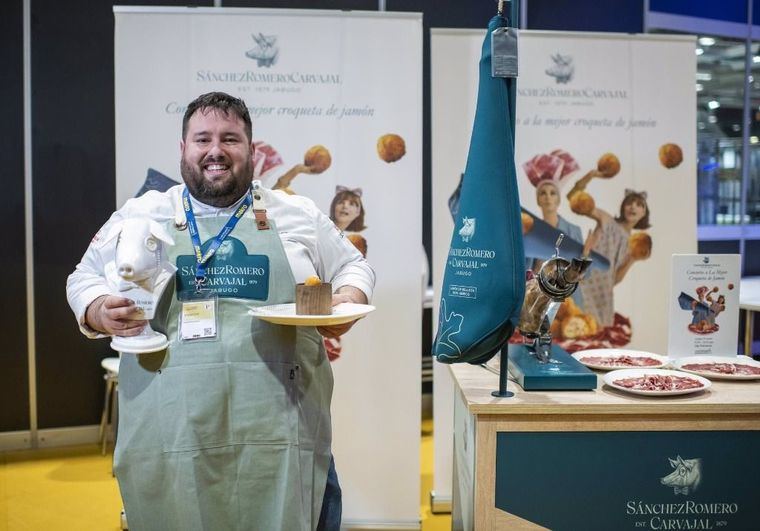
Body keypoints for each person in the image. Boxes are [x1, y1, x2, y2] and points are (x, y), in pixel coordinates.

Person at [66, 92, 375, 531]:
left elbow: (353, 266)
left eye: (230, 138)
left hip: (281, 431)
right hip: (172, 431)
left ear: (252, 149)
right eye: (202, 139)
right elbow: (83, 276)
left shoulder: (296, 212)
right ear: (183, 149)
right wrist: (96, 308)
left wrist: (350, 296)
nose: (216, 151)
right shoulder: (143, 213)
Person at [567, 173, 651, 328]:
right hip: (582, 282)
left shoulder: (633, 244)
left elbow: (615, 279)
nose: (633, 207)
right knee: (574, 329)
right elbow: (573, 198)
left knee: (596, 339)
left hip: (603, 295)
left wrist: (633, 259)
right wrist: (592, 175)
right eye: (630, 203)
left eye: (639, 204)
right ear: (623, 207)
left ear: (644, 213)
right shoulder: (606, 220)